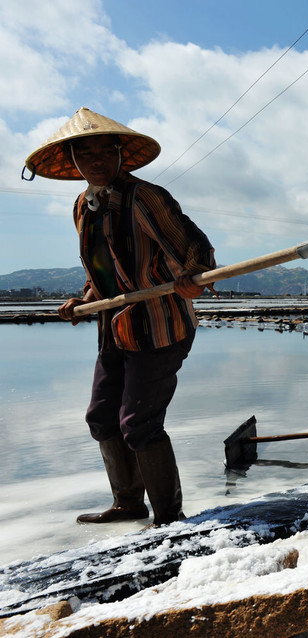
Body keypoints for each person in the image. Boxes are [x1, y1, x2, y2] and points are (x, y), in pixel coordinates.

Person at [23, 108, 216, 526]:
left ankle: (169, 517)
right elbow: (107, 268)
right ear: (73, 161)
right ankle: (128, 503)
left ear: (119, 154)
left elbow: (194, 247)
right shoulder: (83, 205)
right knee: (102, 417)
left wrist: (192, 278)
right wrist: (84, 299)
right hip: (115, 326)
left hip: (160, 326)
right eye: (84, 152)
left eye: (103, 150)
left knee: (139, 422)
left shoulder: (145, 196)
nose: (96, 160)